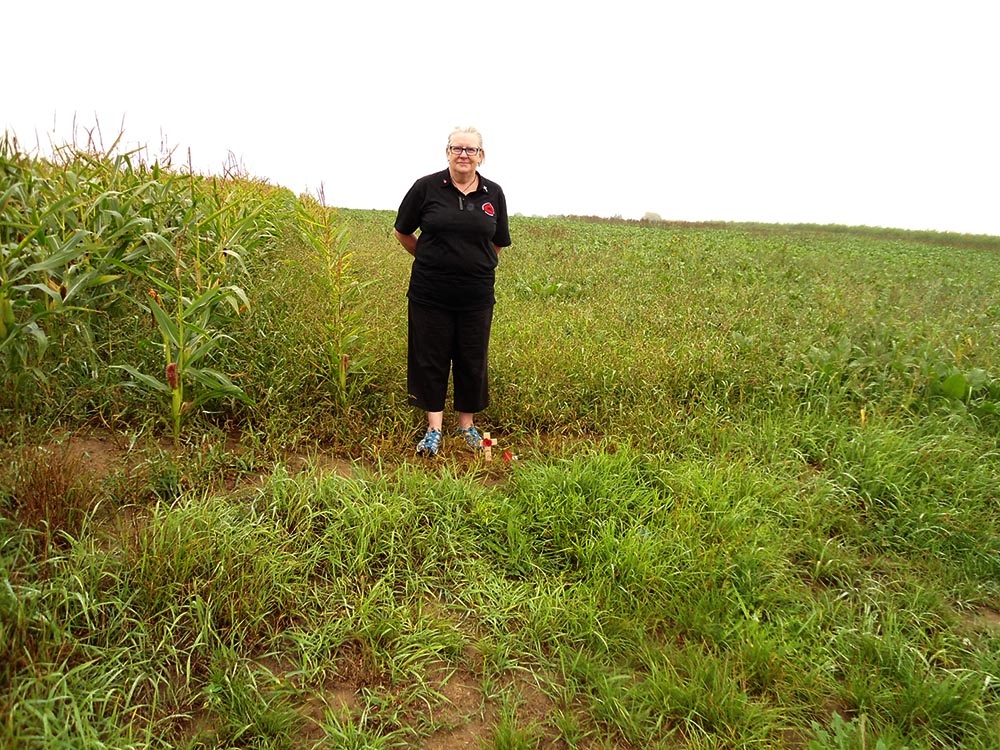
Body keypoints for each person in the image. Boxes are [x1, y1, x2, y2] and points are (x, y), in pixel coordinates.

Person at [393, 126, 511, 457]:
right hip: (430, 292)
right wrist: (432, 260)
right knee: (430, 358)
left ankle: (467, 426)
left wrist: (475, 266)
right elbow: (402, 232)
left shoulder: (494, 194)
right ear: (447, 152)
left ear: (481, 156)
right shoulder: (426, 188)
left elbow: (498, 241)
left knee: (471, 358)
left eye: (470, 150)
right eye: (457, 148)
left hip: (476, 295)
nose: (463, 155)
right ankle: (434, 428)